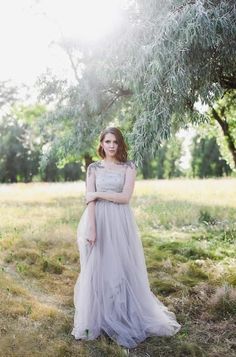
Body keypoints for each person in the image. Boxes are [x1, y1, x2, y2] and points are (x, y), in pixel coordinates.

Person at [71, 127, 181, 348]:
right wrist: (91, 228)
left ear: (120, 145)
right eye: (108, 141)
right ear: (101, 144)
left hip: (120, 222)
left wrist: (98, 193)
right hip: (97, 220)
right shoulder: (93, 168)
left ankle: (123, 315)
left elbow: (124, 197)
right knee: (97, 267)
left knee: (120, 266)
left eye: (116, 142)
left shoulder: (129, 167)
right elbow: (89, 201)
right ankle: (99, 317)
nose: (112, 146)